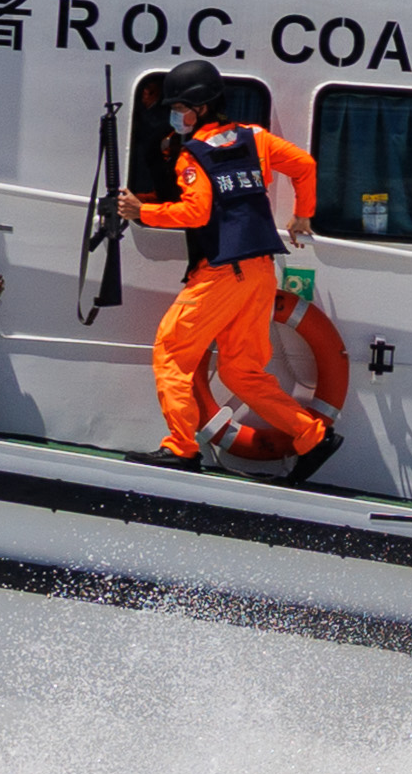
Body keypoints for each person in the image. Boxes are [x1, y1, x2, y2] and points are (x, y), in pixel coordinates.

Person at [131, 59, 339, 482]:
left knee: (171, 353)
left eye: (181, 108)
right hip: (261, 269)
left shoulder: (193, 154)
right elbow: (306, 166)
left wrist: (141, 210)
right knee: (239, 369)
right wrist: (303, 215)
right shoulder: (256, 138)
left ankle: (181, 447)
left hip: (223, 272)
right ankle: (312, 436)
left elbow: (195, 211)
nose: (177, 116)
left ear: (201, 108)